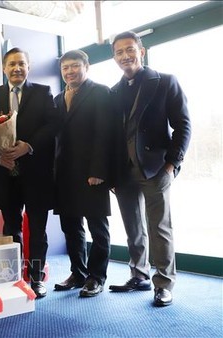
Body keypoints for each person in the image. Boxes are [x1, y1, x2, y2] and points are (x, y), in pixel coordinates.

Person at [108, 31, 191, 306]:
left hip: (157, 168)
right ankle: (139, 275)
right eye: (119, 52)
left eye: (130, 49)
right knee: (133, 228)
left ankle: (164, 284)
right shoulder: (114, 91)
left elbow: (183, 125)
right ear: (115, 57)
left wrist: (172, 163)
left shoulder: (165, 81)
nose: (125, 56)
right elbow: (110, 136)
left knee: (159, 228)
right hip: (123, 171)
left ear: (140, 51)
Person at [0, 47, 58, 298]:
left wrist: (29, 145)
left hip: (36, 172)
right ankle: (12, 276)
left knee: (37, 228)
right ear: (4, 68)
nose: (17, 68)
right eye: (12, 64)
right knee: (11, 226)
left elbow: (52, 126)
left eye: (22, 64)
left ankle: (36, 278)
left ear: (28, 67)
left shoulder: (44, 92)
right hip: (6, 172)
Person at [52, 50, 113, 297]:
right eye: (65, 68)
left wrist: (99, 170)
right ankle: (78, 272)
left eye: (75, 66)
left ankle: (96, 277)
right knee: (71, 226)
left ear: (86, 66)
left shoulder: (100, 92)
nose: (70, 72)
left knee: (98, 227)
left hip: (91, 173)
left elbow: (105, 133)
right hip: (64, 174)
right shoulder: (57, 99)